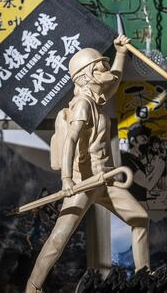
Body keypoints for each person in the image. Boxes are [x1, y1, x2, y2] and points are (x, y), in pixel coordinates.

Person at [26, 36, 150, 293]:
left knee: (140, 219)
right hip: (84, 183)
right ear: (85, 76)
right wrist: (67, 181)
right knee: (59, 239)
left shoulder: (96, 100)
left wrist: (120, 53)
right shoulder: (83, 105)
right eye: (99, 68)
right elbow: (71, 141)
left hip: (105, 181)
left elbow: (113, 81)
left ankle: (144, 277)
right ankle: (33, 287)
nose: (105, 72)